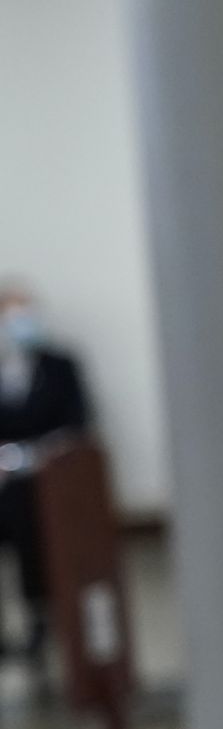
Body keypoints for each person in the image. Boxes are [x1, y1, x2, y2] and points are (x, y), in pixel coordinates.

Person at [0, 283, 91, 662]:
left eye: (26, 313)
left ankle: (41, 622)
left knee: (34, 537)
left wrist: (33, 456)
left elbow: (78, 422)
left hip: (46, 478)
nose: (20, 323)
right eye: (11, 315)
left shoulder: (60, 365)